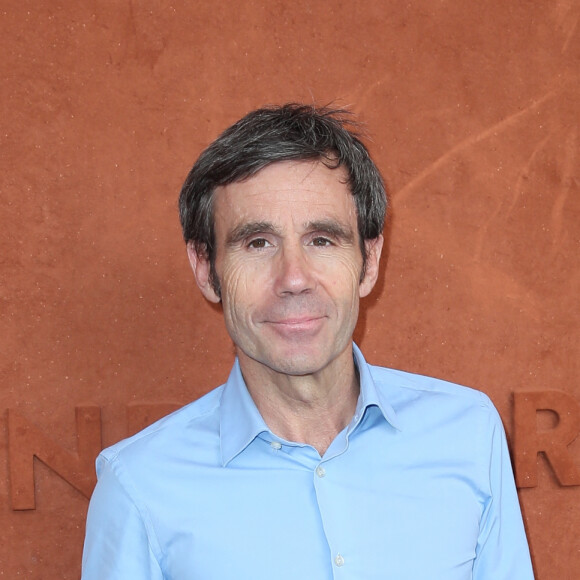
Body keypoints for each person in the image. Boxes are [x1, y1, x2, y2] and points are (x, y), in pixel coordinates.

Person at [81, 104, 535, 579]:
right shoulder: (138, 486)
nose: (294, 279)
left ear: (370, 260)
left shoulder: (468, 434)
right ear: (205, 268)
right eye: (257, 243)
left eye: (323, 239)